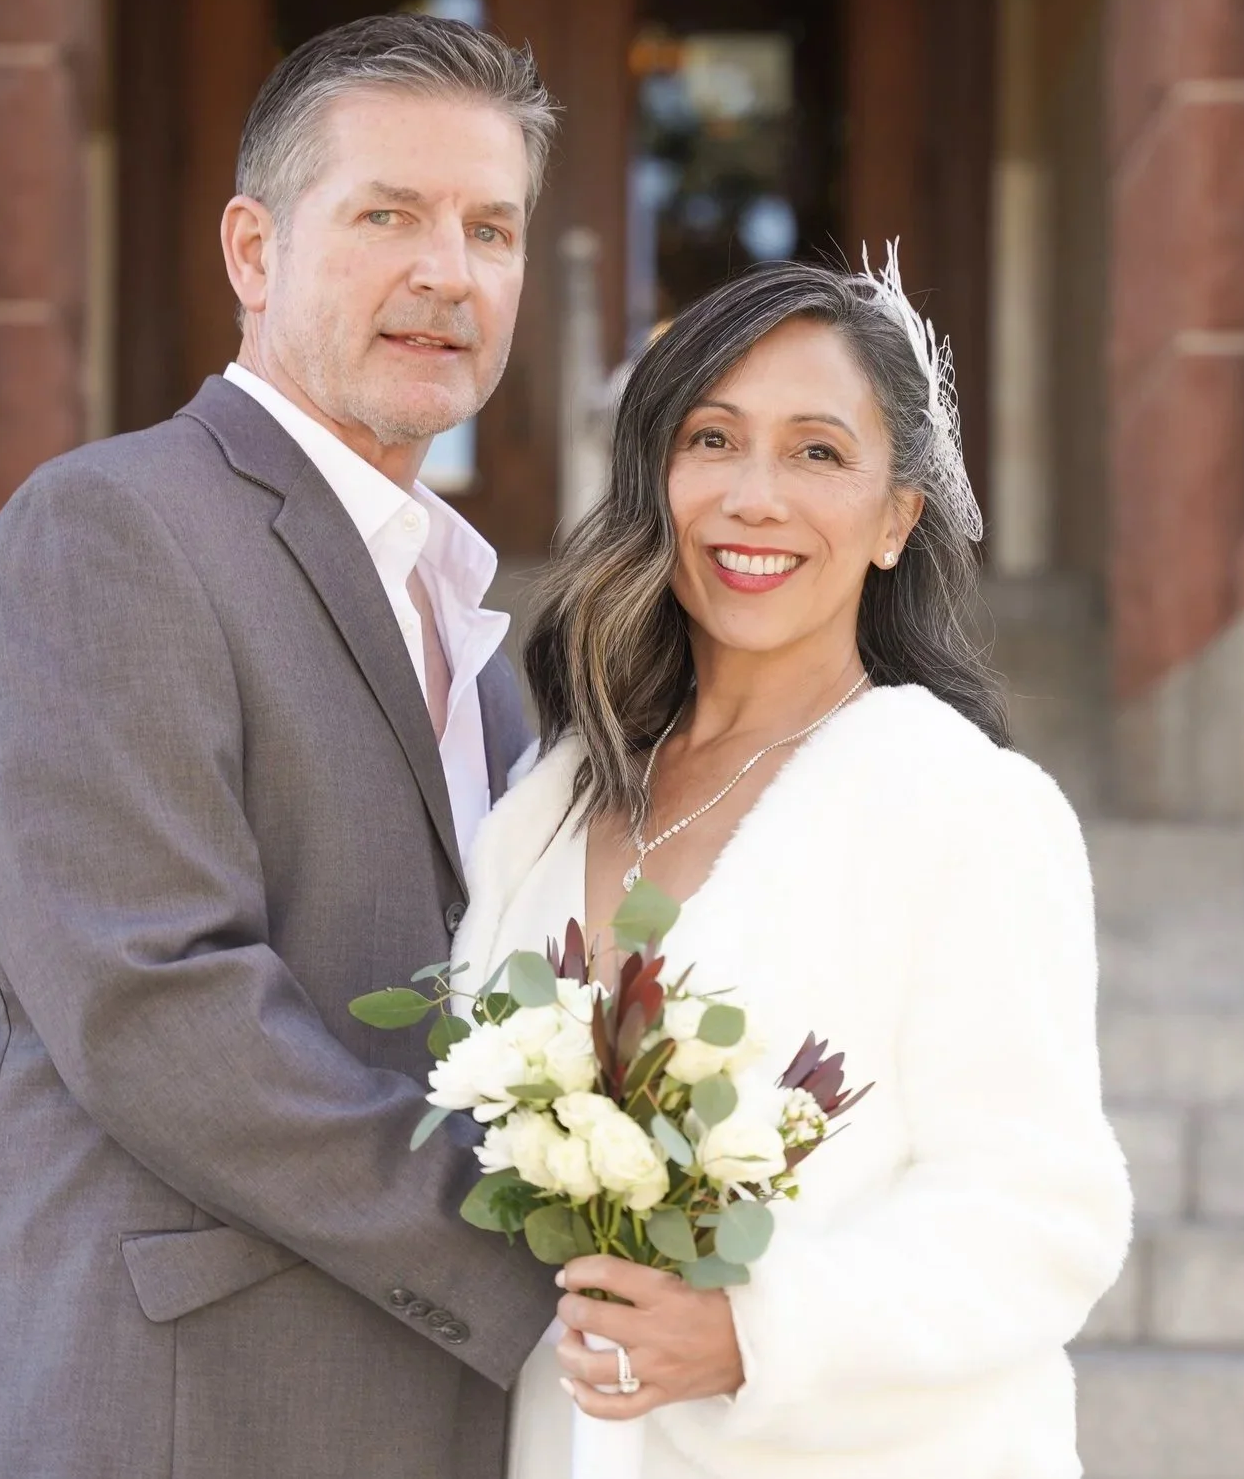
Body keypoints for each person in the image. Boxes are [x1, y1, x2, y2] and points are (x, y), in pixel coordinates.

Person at [0, 15, 564, 1479]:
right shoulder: (112, 531)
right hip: (180, 1419)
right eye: (385, 215)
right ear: (252, 252)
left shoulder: (468, 627)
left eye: (489, 229)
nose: (445, 272)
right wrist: (543, 1263)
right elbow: (159, 1005)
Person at [451, 256, 1135, 1477]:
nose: (754, 496)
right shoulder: (545, 802)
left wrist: (750, 1332)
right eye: (713, 439)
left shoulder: (965, 808)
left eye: (818, 453)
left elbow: (1041, 1214)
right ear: (657, 478)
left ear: (894, 518)